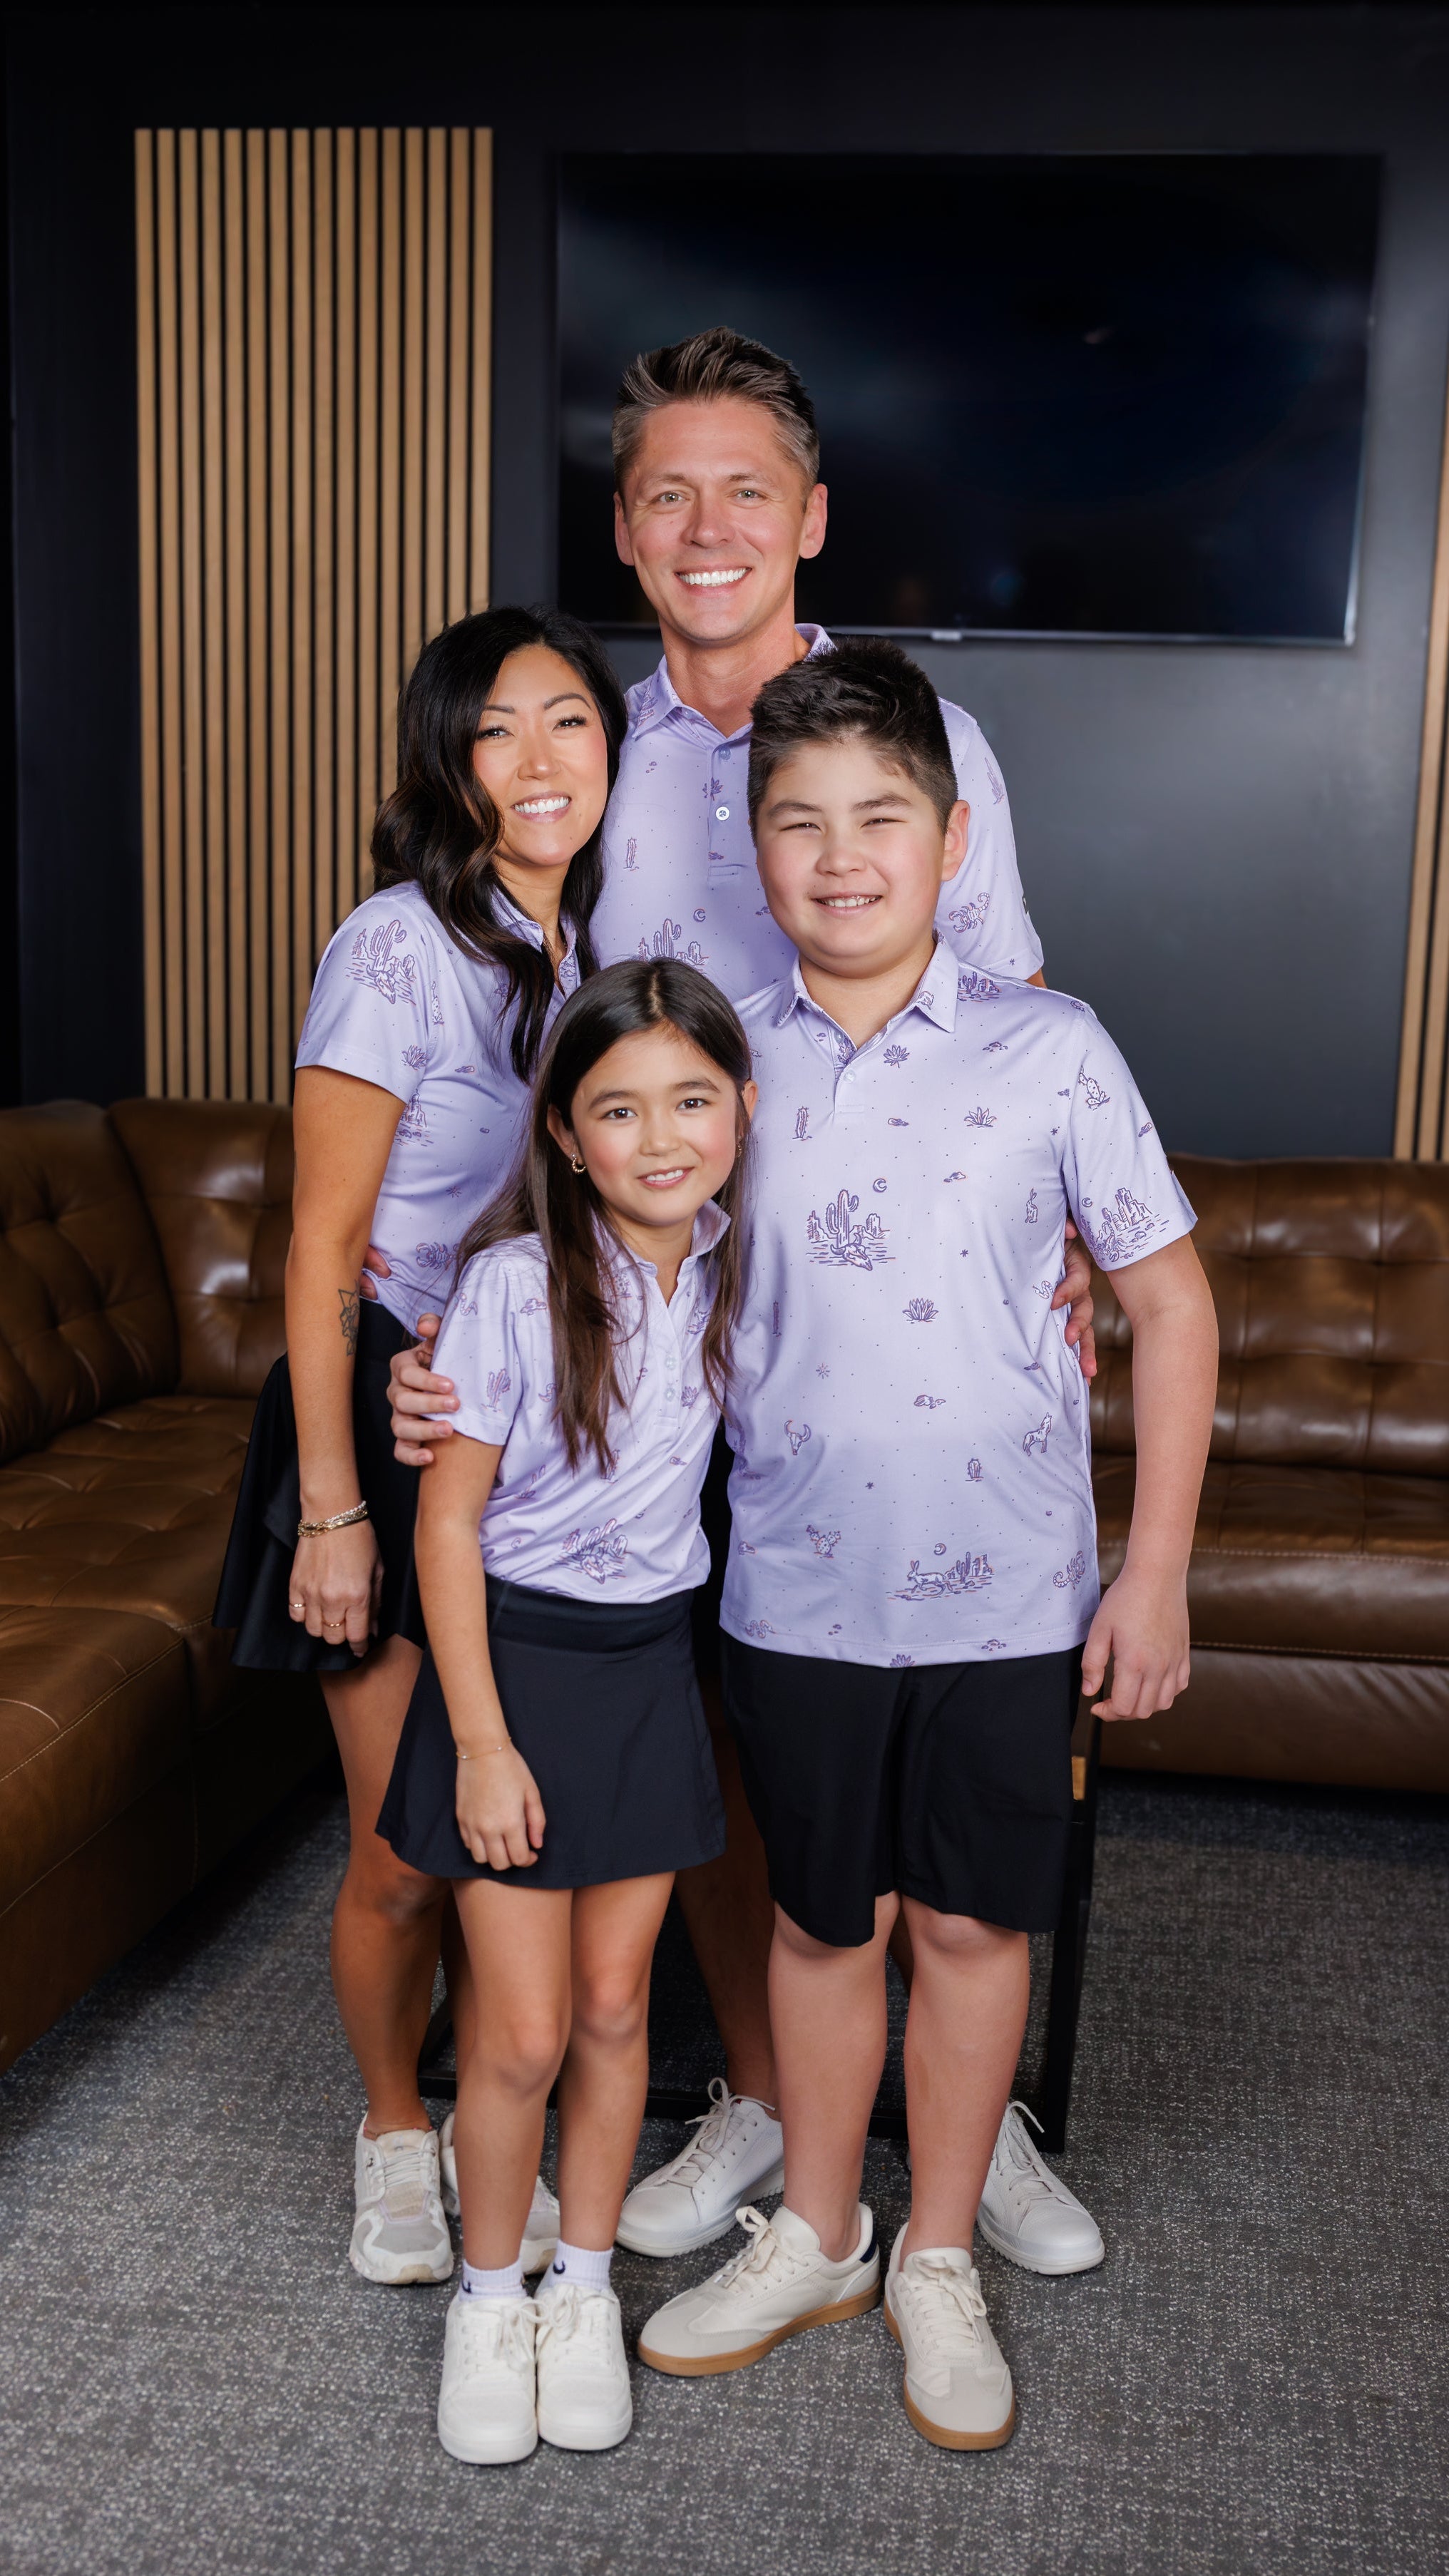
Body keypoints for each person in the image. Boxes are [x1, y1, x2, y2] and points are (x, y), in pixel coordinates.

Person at [380, 328, 1104, 2274]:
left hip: (895, 1352)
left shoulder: (911, 736)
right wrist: (454, 1342)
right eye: (669, 492)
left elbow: (1014, 1023)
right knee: (717, 1715)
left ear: (811, 517)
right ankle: (780, 2106)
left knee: (932, 1760)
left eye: (747, 490)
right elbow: (510, 1064)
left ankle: (973, 2119)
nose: (710, 527)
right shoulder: (591, 757)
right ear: (626, 528)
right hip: (669, 1341)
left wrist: (1070, 1256)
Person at [636, 642, 1218, 2446]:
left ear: (951, 838)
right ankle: (819, 2223)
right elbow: (613, 1267)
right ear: (753, 842)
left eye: (879, 817)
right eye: (795, 821)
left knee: (969, 1927)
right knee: (823, 1923)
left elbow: (1170, 1304)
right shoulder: (712, 1058)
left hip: (1010, 1593)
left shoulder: (1055, 1048)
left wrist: (1155, 1568)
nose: (836, 854)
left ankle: (938, 2251)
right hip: (797, 1586)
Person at [215, 607, 627, 2286]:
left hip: (527, 1424)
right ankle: (396, 2126)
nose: (538, 764)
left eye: (569, 725)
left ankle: (489, 2117)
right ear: (447, 765)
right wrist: (332, 1509)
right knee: (399, 1845)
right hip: (377, 1408)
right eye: (496, 733)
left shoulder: (591, 938)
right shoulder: (393, 944)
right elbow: (321, 1250)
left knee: (498, 1817)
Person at [377, 959, 756, 2462]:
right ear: (562, 1129)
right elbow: (446, 1530)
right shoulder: (511, 1289)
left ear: (738, 1107)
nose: (659, 1137)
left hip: (646, 1665)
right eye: (617, 1108)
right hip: (513, 1677)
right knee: (522, 2034)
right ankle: (489, 2298)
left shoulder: (740, 1264)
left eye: (690, 1098)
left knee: (615, 2008)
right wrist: (476, 1737)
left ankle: (582, 2286)